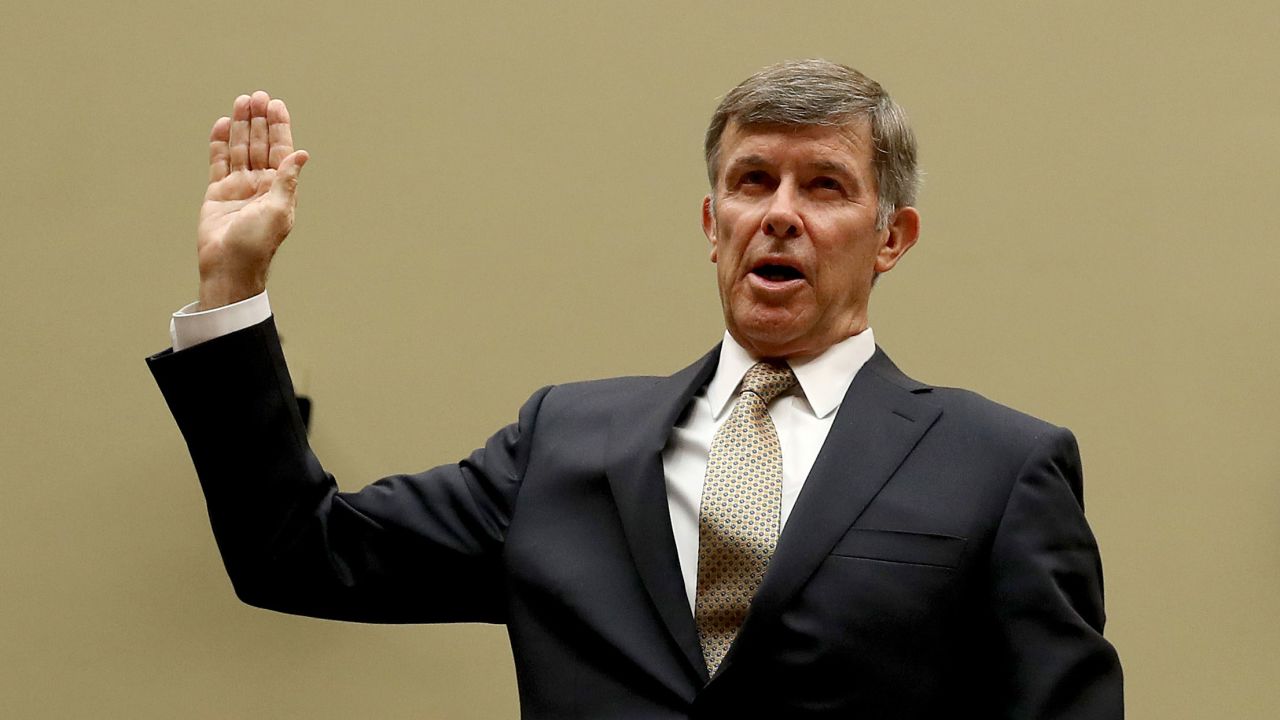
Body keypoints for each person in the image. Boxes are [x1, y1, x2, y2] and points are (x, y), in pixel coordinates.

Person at [148, 59, 1123, 718]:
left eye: (822, 187)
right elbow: (298, 556)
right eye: (751, 182)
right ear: (711, 223)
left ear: (889, 238)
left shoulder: (997, 467)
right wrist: (233, 288)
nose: (777, 215)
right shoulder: (563, 442)